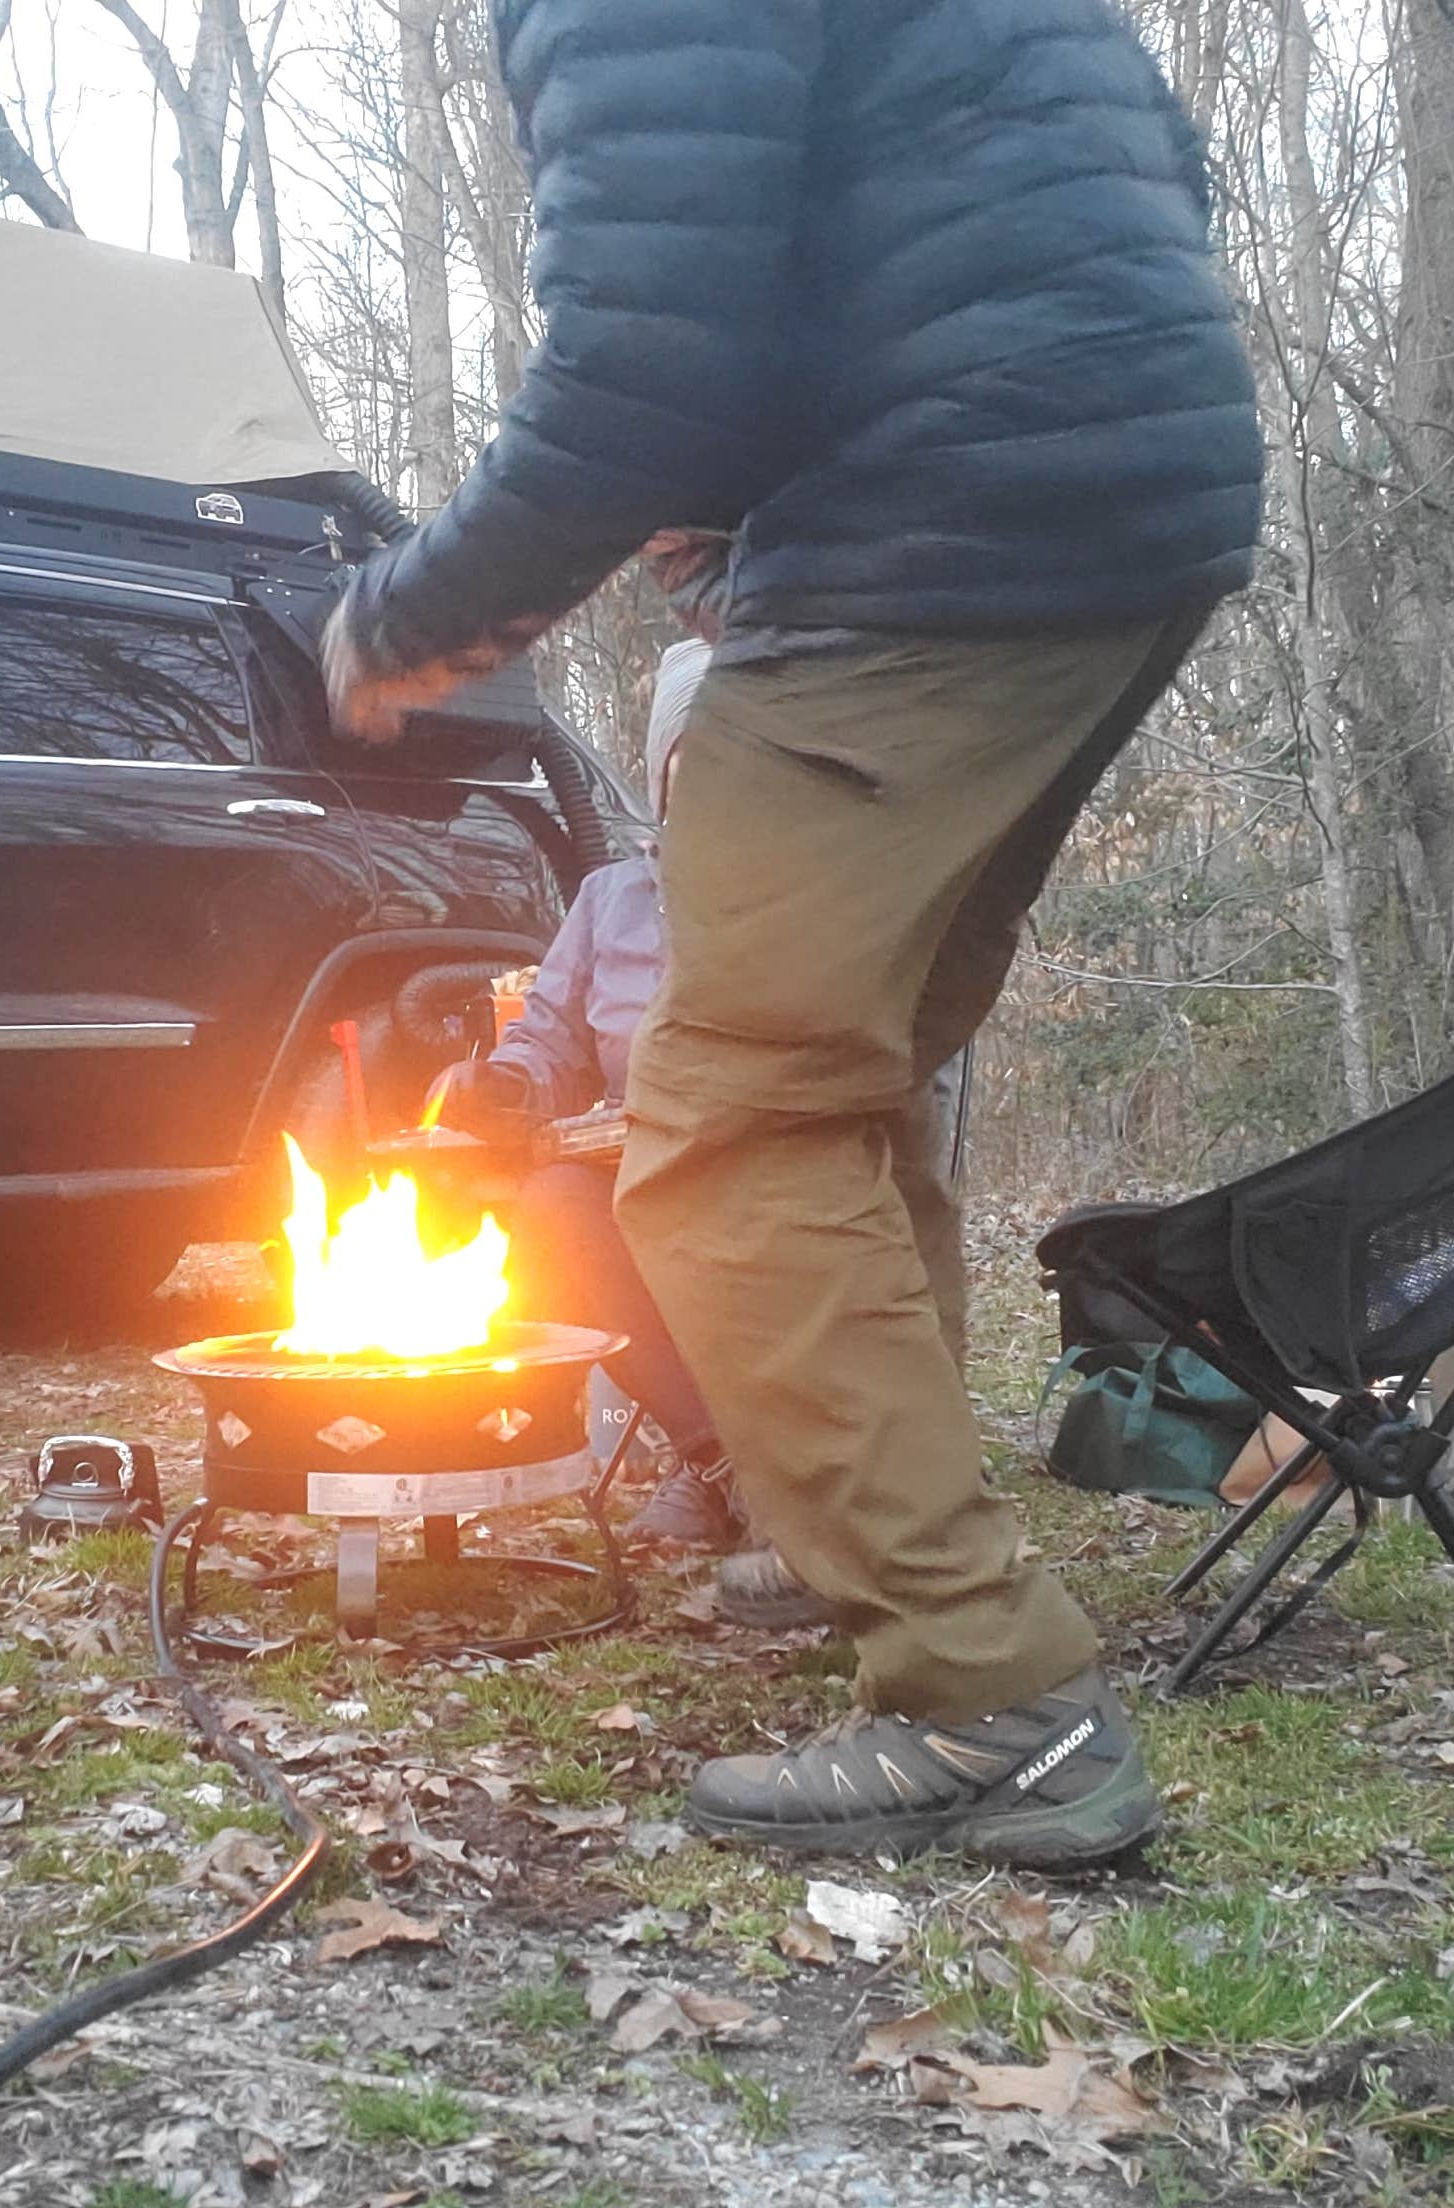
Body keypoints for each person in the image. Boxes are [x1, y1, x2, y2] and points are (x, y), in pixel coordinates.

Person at [325, 0, 1263, 1869]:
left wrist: (404, 617)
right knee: (841, 1082)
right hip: (1133, 488)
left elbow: (637, 370)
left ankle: (981, 1691)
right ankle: (872, 1544)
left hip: (937, 536)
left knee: (730, 1124)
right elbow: (1155, 161)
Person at [429, 640, 742, 1550]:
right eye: (695, 758)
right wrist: (502, 1085)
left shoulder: (805, 903)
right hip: (629, 1165)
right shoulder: (611, 899)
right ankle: (719, 1462)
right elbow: (550, 1042)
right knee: (553, 1212)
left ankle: (774, 1468)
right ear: (663, 776)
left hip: (766, 1167)